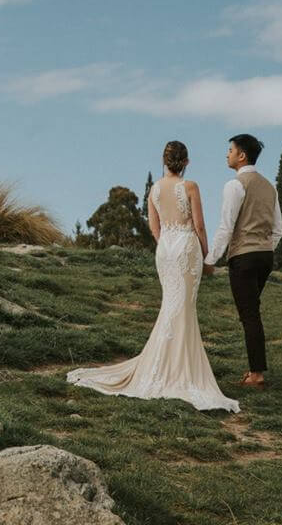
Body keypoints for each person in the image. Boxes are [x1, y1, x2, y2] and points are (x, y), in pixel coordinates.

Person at [66, 141, 239, 413]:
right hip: (185, 247)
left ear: (164, 160)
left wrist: (165, 243)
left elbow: (153, 227)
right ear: (187, 162)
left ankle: (168, 363)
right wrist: (207, 256)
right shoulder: (190, 187)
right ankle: (177, 370)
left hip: (167, 249)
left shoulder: (154, 189)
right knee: (182, 308)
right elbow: (200, 225)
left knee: (172, 305)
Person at [203, 134, 282, 389]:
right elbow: (278, 229)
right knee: (251, 312)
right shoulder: (270, 187)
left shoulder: (234, 185)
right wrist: (265, 247)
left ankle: (257, 374)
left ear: (242, 155)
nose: (227, 154)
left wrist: (210, 259)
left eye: (230, 150)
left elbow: (226, 227)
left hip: (244, 257)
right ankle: (254, 370)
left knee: (249, 315)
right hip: (265, 256)